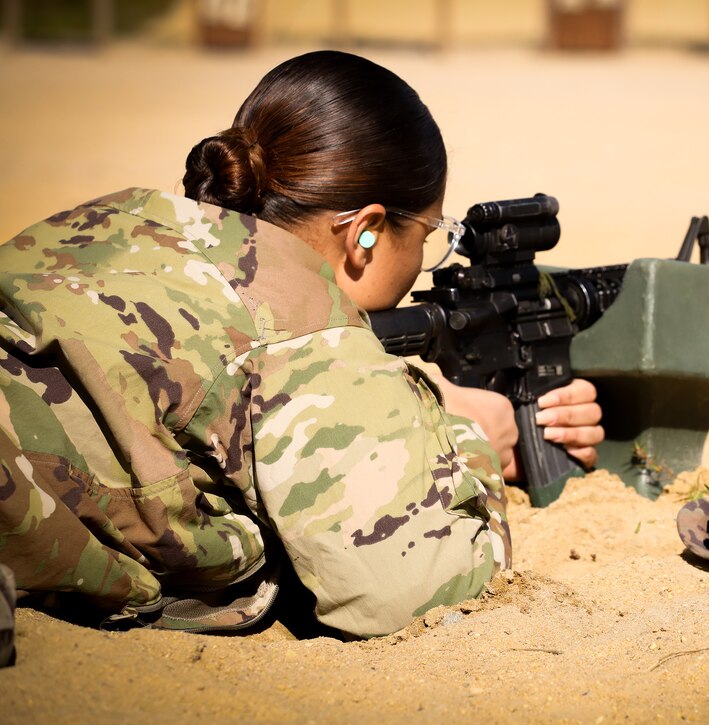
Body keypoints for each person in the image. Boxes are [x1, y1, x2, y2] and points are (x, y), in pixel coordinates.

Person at [0, 50, 602, 639]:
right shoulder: (307, 333)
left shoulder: (120, 219)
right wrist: (462, 435)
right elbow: (407, 589)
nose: (426, 259)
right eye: (428, 231)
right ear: (365, 232)